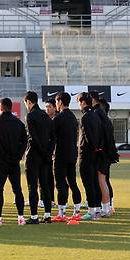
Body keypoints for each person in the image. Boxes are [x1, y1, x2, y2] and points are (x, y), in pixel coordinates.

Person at [0, 98, 27, 227]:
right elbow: (24, 142)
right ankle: (21, 217)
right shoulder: (18, 123)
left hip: (1, 162)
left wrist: (4, 156)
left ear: (1, 108)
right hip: (14, 162)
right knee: (17, 189)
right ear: (11, 107)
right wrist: (17, 157)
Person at [51, 92, 83, 223]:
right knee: (72, 182)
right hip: (72, 153)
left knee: (60, 184)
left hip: (60, 154)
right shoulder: (73, 117)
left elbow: (51, 135)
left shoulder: (58, 118)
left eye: (56, 102)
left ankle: (62, 213)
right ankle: (77, 211)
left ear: (60, 102)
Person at [23, 91, 54, 224]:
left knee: (32, 186)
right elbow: (53, 138)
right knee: (45, 185)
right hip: (46, 156)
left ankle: (34, 216)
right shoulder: (46, 116)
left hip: (34, 155)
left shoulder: (30, 116)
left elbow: (32, 137)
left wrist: (41, 151)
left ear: (29, 102)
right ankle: (47, 215)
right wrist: (48, 152)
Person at [91, 92, 119, 217]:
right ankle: (107, 207)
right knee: (104, 180)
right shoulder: (106, 118)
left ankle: (106, 208)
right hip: (107, 153)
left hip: (102, 153)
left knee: (101, 180)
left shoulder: (98, 115)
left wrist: (98, 149)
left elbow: (99, 135)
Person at [77, 92, 103, 221]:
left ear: (82, 102)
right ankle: (97, 210)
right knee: (95, 182)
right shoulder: (96, 116)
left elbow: (87, 136)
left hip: (86, 153)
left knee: (88, 183)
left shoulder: (85, 117)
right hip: (95, 154)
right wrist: (97, 147)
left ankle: (91, 210)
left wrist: (93, 146)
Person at [40, 98, 57, 210]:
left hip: (55, 153)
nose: (47, 109)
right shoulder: (44, 119)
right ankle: (46, 199)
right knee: (45, 177)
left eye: (49, 106)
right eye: (46, 107)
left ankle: (52, 200)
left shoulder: (56, 120)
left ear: (55, 107)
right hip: (46, 153)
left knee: (52, 178)